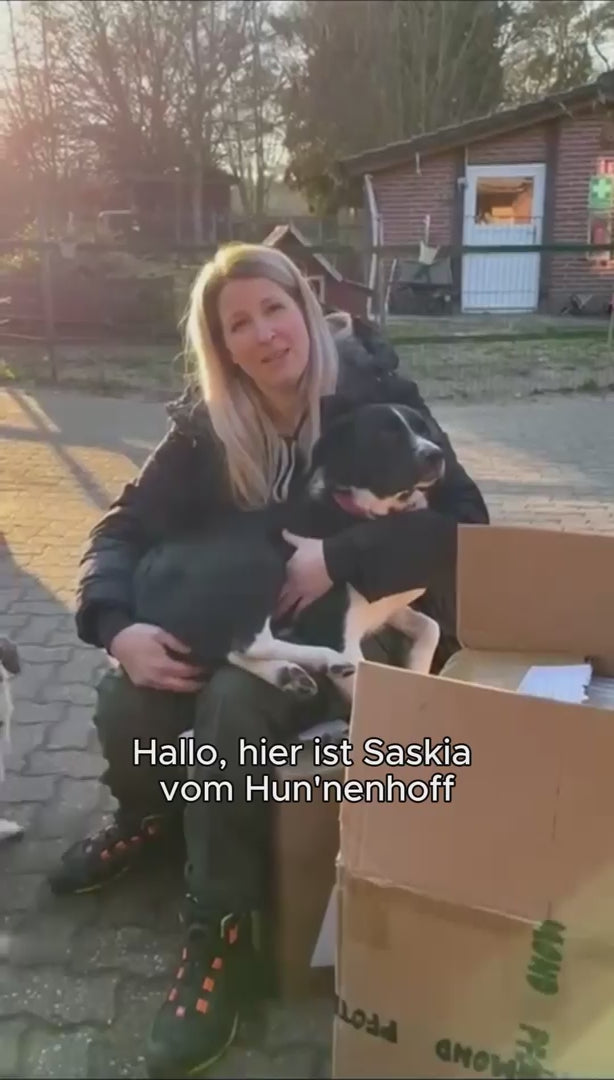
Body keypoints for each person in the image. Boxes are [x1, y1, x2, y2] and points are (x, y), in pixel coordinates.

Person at [47, 242, 489, 1077]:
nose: (263, 333)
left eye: (273, 308)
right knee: (130, 703)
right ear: (221, 346)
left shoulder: (377, 393)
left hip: (358, 624)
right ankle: (157, 818)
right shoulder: (206, 424)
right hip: (246, 618)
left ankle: (221, 928)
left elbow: (468, 525)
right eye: (237, 324)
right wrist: (115, 625)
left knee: (233, 704)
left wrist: (342, 556)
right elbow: (123, 528)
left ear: (305, 308)